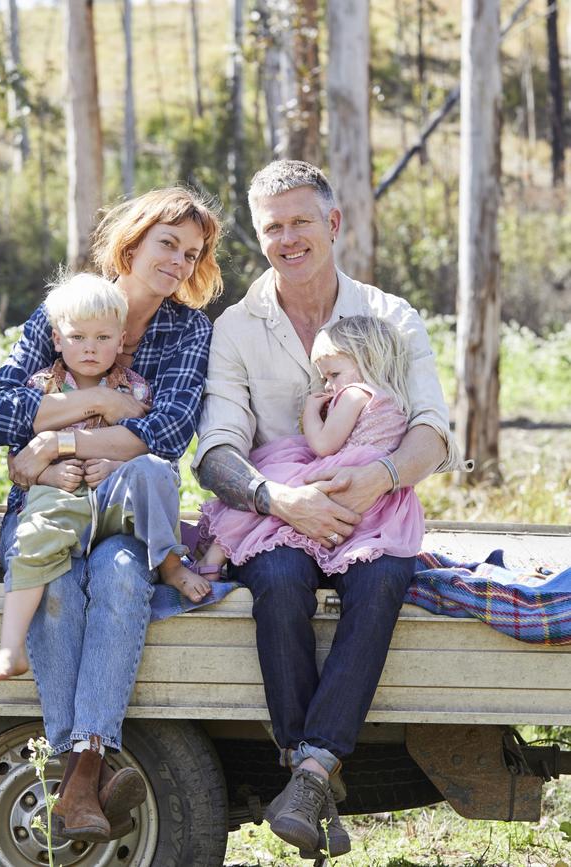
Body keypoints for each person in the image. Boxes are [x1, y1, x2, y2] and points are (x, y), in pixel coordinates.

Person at [194, 160, 463, 860]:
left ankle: (307, 772)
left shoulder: (388, 317)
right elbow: (218, 448)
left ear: (333, 223)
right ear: (259, 236)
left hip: (369, 508)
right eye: (272, 226)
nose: (287, 238)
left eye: (300, 221)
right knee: (279, 583)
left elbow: (433, 431)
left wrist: (378, 477)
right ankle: (312, 773)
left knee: (383, 581)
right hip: (277, 511)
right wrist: (280, 497)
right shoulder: (237, 328)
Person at [0, 187, 222, 843]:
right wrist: (111, 417)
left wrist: (51, 441)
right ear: (133, 240)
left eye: (191, 252)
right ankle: (85, 772)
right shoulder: (68, 308)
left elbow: (166, 432)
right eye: (167, 243)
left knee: (118, 569)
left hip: (124, 507)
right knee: (56, 579)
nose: (178, 261)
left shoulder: (186, 328)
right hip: (52, 502)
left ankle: (79, 772)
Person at [0, 272, 216, 686]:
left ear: (122, 341)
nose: (90, 348)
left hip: (112, 502)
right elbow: (20, 460)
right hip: (63, 498)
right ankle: (10, 646)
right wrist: (51, 472)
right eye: (78, 337)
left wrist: (110, 463)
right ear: (56, 339)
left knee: (153, 475)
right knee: (34, 538)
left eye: (103, 338)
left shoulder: (135, 393)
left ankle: (170, 563)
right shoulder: (41, 389)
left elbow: (150, 440)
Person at [196, 315, 424, 576]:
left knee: (275, 494)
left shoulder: (354, 394)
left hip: (342, 469)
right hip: (371, 488)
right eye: (325, 378)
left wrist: (310, 412)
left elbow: (323, 445)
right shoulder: (396, 400)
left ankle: (214, 557)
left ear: (367, 360)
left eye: (334, 375)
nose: (328, 386)